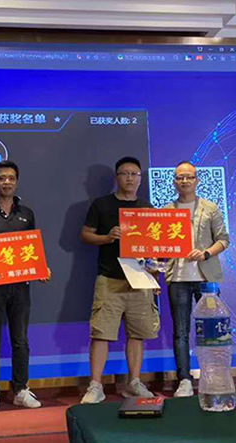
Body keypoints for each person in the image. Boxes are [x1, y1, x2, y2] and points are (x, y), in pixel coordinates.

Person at [0, 161, 51, 413]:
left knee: (20, 340)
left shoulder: (26, 213)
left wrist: (41, 268)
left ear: (17, 181)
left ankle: (21, 389)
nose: (7, 182)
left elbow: (31, 248)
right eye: (2, 178)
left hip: (20, 286)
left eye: (11, 178)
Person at [79, 156, 159, 404]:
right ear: (117, 177)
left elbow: (155, 246)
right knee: (101, 333)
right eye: (125, 173)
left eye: (134, 174)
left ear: (140, 179)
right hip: (109, 278)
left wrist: (155, 272)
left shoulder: (147, 208)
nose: (130, 178)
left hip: (141, 279)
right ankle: (95, 385)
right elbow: (86, 235)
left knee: (137, 334)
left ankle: (134, 382)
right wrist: (107, 238)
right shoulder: (101, 204)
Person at [165, 161, 229, 397]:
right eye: (180, 177)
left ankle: (215, 376)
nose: (184, 181)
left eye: (189, 177)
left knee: (212, 331)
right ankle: (184, 379)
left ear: (197, 180)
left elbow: (224, 239)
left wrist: (205, 253)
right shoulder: (166, 211)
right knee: (180, 331)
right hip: (178, 278)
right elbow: (160, 245)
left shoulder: (210, 208)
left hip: (206, 279)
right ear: (174, 182)